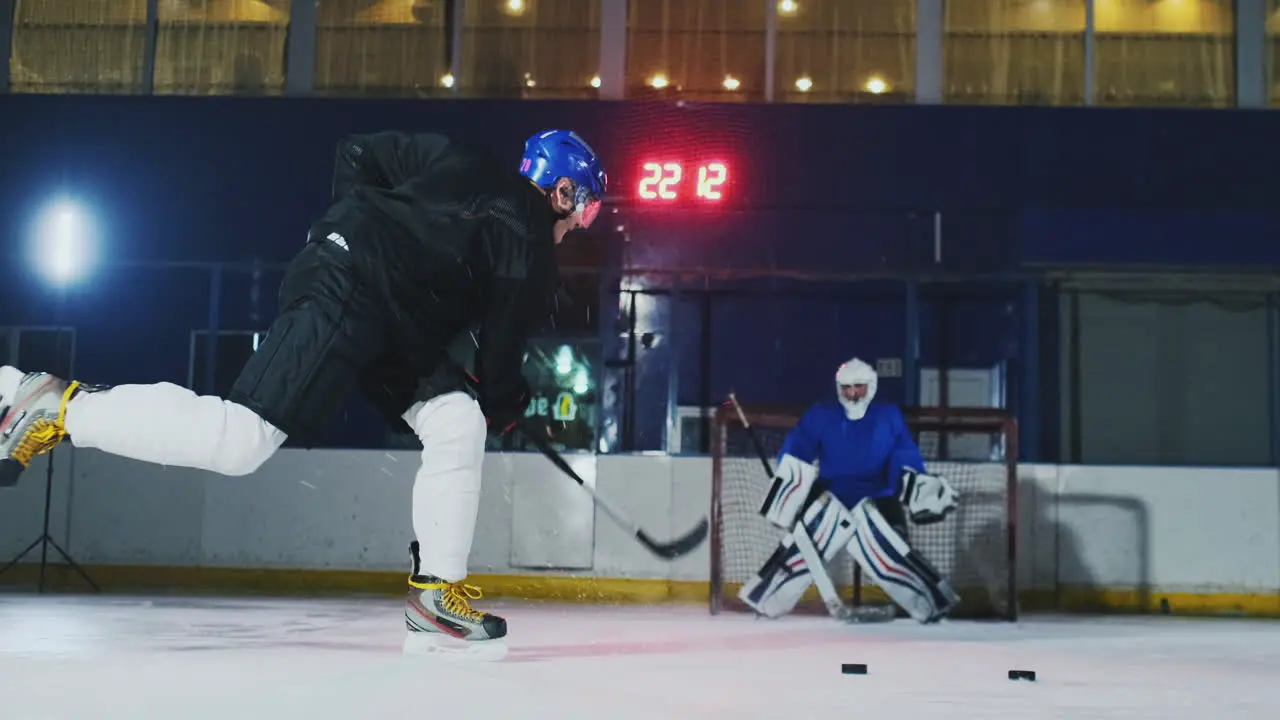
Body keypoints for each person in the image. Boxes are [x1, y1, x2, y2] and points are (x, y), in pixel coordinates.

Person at [0, 128, 608, 656]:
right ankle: (55, 405)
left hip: (379, 300)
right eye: (586, 210)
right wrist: (507, 407)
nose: (583, 225)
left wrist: (360, 228)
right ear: (562, 193)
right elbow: (500, 358)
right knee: (242, 440)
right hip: (356, 290)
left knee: (455, 419)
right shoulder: (530, 241)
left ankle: (435, 595)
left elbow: (358, 152)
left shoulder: (459, 157)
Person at [738, 357, 963, 623]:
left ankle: (932, 603)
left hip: (878, 498)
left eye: (859, 387)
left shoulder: (888, 416)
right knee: (802, 546)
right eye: (846, 388)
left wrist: (915, 485)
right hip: (831, 496)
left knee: (895, 551)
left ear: (872, 386)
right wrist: (788, 485)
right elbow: (799, 447)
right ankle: (766, 600)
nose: (853, 394)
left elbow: (903, 456)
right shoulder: (821, 415)